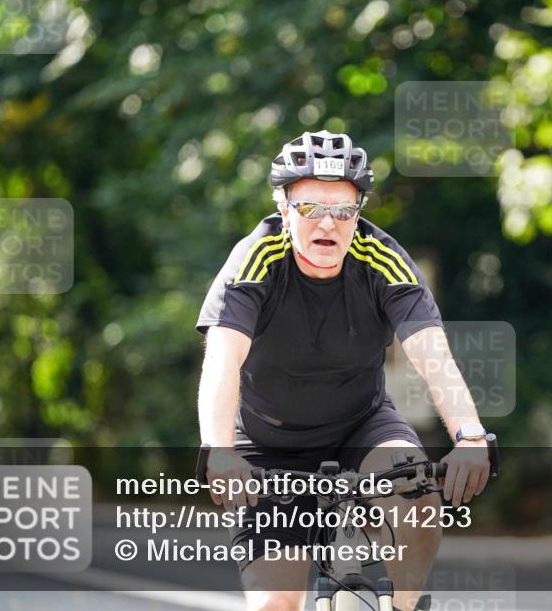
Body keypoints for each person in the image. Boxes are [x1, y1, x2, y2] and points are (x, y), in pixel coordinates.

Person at [196, 130, 491, 611]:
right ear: (284, 208)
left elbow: (432, 354)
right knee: (275, 604)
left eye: (343, 209)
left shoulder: (381, 259)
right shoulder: (255, 260)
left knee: (414, 489)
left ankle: (404, 605)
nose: (327, 223)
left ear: (359, 213)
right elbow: (223, 358)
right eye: (311, 207)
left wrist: (471, 438)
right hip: (267, 444)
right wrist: (220, 452)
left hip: (362, 425)